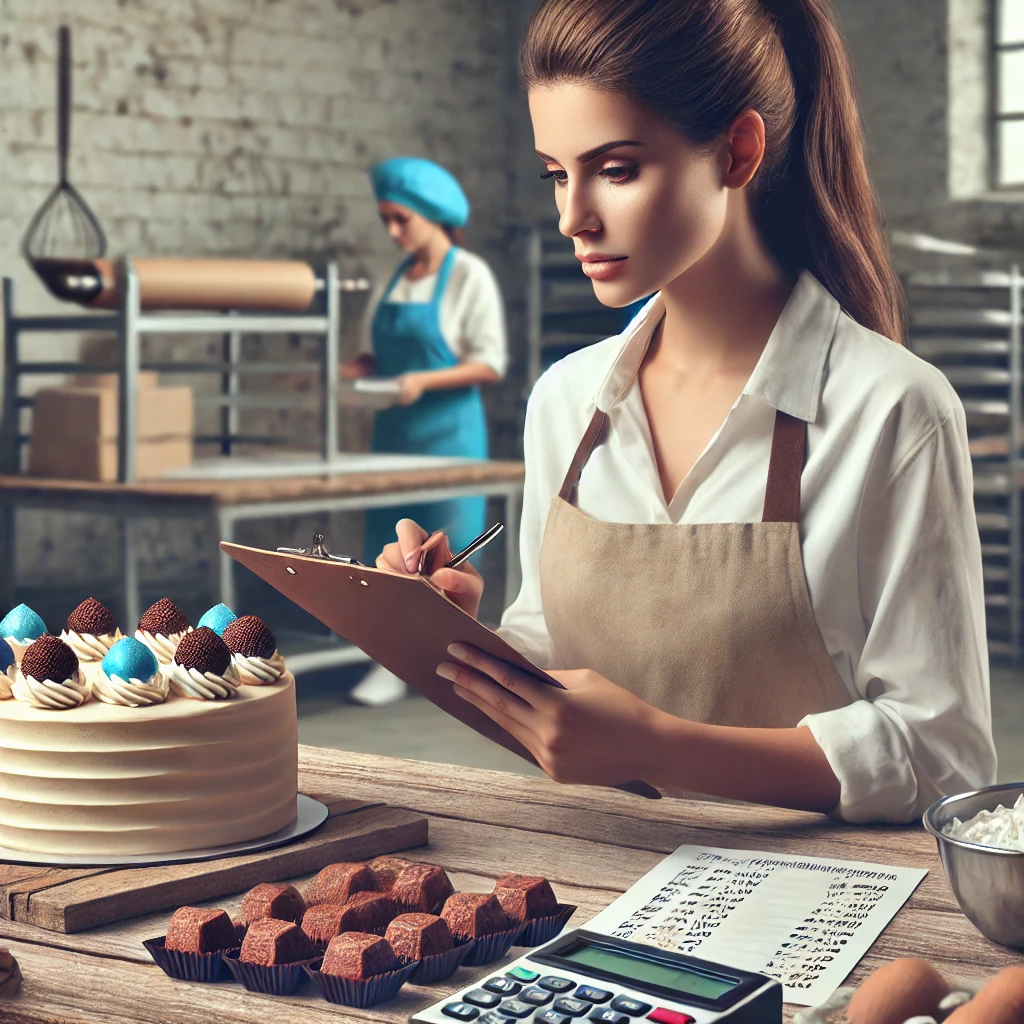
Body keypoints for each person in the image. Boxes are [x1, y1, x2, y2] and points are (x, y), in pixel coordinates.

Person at [373, 0, 997, 822]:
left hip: (813, 906)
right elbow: (561, 663)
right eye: (558, 174)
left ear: (737, 152)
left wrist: (657, 746)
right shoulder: (566, 401)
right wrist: (460, 641)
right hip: (595, 882)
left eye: (617, 169)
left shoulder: (894, 412)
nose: (572, 217)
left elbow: (943, 761)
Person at [344, 156, 507, 706]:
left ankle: (445, 665)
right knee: (389, 553)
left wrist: (422, 379)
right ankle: (392, 660)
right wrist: (356, 371)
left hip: (450, 439)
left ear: (433, 214)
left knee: (447, 556)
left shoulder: (469, 276)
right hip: (393, 436)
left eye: (401, 219)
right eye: (385, 220)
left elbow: (490, 363)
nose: (393, 232)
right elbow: (375, 354)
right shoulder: (394, 280)